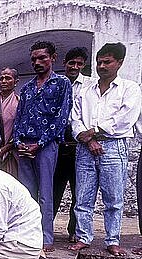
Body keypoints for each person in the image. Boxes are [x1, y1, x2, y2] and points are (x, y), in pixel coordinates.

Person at [69, 42, 142, 256]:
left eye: (107, 62)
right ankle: (83, 237)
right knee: (83, 196)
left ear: (119, 63)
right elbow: (75, 118)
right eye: (99, 62)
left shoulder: (129, 88)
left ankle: (112, 240)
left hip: (113, 147)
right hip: (85, 148)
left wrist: (94, 132)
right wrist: (86, 138)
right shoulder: (86, 89)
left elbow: (124, 119)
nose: (102, 66)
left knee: (113, 198)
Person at [13, 41, 72, 253]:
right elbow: (18, 118)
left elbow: (61, 118)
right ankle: (29, 236)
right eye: (34, 59)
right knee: (26, 196)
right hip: (24, 148)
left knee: (46, 194)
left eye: (42, 58)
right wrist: (18, 142)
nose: (37, 62)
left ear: (53, 58)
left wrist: (39, 144)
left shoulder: (62, 84)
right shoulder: (27, 88)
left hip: (45, 146)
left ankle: (46, 237)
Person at [53, 47, 92, 243]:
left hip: (79, 142)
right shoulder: (57, 84)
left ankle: (74, 230)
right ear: (64, 64)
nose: (74, 67)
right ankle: (44, 229)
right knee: (53, 188)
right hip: (58, 143)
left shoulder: (89, 86)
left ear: (83, 65)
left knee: (80, 190)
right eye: (71, 63)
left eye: (79, 64)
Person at [0, 67, 20, 178]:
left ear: (15, 82)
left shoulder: (20, 103)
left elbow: (20, 132)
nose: (3, 81)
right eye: (1, 78)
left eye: (8, 78)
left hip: (12, 153)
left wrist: (3, 150)